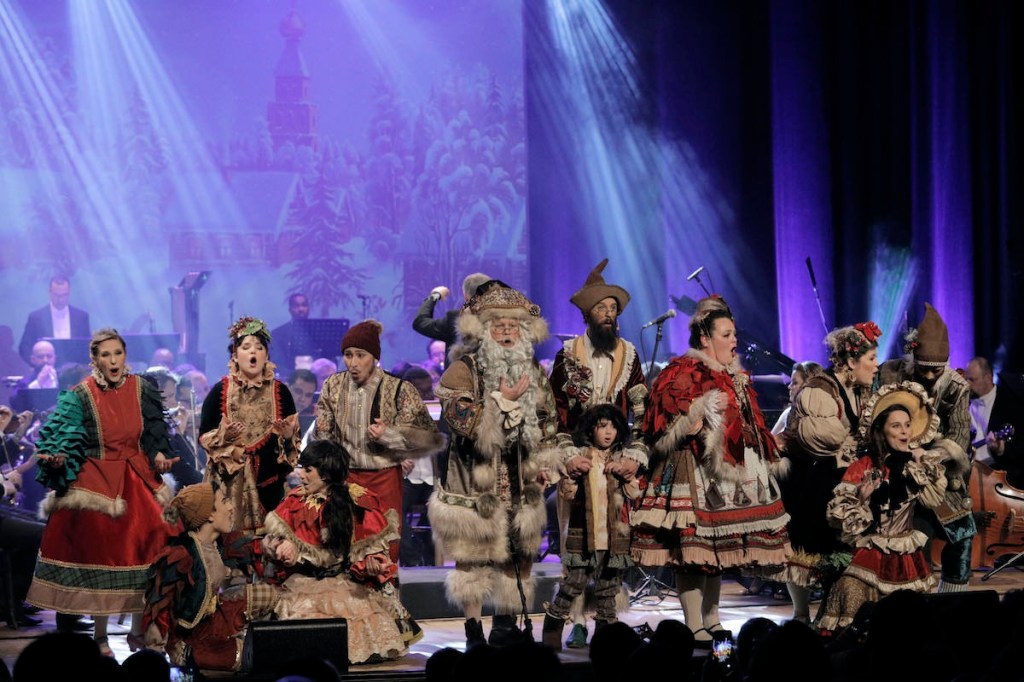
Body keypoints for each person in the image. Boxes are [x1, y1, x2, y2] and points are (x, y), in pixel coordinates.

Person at [631, 295, 790, 646]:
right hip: (693, 468)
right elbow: (662, 421)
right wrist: (692, 419)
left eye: (734, 334)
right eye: (727, 334)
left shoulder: (735, 376)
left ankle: (712, 618)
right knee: (695, 549)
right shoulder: (682, 371)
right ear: (706, 338)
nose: (735, 340)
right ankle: (692, 624)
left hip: (729, 474)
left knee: (718, 550)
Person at [26, 328, 176, 656]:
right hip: (96, 473)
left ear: (125, 355)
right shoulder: (82, 393)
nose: (113, 360)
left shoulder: (142, 388)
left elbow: (154, 430)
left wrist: (159, 455)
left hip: (136, 473)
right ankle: (100, 635)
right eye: (105, 355)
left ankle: (138, 630)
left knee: (154, 537)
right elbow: (61, 432)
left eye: (117, 353)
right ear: (94, 359)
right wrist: (58, 453)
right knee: (102, 542)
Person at [428, 284, 560, 649]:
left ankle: (504, 625)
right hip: (474, 477)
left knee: (517, 555)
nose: (505, 331)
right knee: (471, 558)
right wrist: (501, 400)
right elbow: (457, 418)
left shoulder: (532, 369)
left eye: (512, 325)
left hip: (520, 475)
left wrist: (548, 462)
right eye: (497, 324)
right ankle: (473, 630)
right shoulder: (463, 368)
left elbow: (548, 417)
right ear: (484, 329)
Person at [548, 258, 648, 647]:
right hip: (577, 460)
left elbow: (641, 410)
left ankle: (607, 619)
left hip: (617, 460)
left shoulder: (630, 355)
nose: (609, 315)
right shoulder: (568, 355)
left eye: (613, 309)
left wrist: (634, 456)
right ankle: (571, 618)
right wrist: (567, 458)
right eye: (601, 309)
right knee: (574, 544)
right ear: (588, 314)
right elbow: (552, 412)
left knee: (613, 544)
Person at [263, 440, 420, 664]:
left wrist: (371, 562)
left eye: (308, 470)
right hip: (306, 582)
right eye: (302, 469)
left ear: (325, 474)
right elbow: (271, 539)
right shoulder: (295, 501)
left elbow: (368, 546)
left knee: (360, 620)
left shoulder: (356, 501)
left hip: (343, 582)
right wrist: (279, 546)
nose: (301, 475)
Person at [817, 383, 949, 632]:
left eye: (907, 425)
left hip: (908, 556)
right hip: (872, 550)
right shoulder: (863, 467)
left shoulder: (916, 465)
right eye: (896, 426)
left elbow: (934, 499)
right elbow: (840, 522)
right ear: (882, 431)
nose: (904, 432)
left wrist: (923, 461)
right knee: (850, 593)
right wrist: (862, 499)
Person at [312, 320, 444, 563]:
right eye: (348, 355)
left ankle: (386, 598)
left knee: (384, 549)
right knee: (347, 549)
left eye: (360, 355)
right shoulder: (333, 386)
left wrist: (389, 437)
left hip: (384, 478)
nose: (352, 362)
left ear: (374, 357)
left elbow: (428, 439)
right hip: (346, 479)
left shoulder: (398, 390)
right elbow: (322, 433)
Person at [779, 323, 881, 623]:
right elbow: (822, 441)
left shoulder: (858, 390)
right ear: (851, 362)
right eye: (871, 359)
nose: (876, 366)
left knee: (841, 551)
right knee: (808, 550)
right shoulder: (820, 390)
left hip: (842, 479)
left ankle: (834, 612)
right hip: (812, 479)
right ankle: (800, 616)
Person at [879, 303, 974, 593]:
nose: (930, 377)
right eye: (924, 370)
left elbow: (959, 435)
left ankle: (951, 605)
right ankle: (912, 604)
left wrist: (932, 457)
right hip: (897, 468)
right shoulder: (891, 375)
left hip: (940, 472)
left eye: (936, 371)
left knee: (962, 535)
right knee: (916, 537)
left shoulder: (957, 387)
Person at [142, 482, 279, 671]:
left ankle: (233, 635)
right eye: (224, 501)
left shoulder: (217, 542)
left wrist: (271, 546)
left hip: (213, 617)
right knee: (247, 655)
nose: (231, 507)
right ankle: (220, 648)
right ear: (210, 514)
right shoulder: (183, 554)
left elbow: (244, 547)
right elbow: (159, 603)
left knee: (269, 595)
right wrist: (157, 647)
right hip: (190, 639)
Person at [541, 404, 643, 650]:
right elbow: (566, 493)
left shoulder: (621, 459)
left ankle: (605, 639)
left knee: (607, 588)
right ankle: (552, 627)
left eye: (613, 427)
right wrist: (573, 476)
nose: (608, 433)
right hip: (584, 535)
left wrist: (627, 476)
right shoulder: (581, 456)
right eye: (602, 427)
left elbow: (633, 492)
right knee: (573, 582)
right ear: (591, 430)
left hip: (612, 538)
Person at [199, 317, 300, 548]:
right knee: (232, 555)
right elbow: (205, 436)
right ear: (235, 354)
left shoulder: (281, 392)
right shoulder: (220, 391)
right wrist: (224, 438)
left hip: (269, 485)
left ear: (266, 355)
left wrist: (286, 436)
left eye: (259, 348)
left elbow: (294, 445)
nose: (253, 353)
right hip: (229, 487)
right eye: (246, 348)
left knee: (270, 551)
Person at [965, 356, 1022, 484]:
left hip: (997, 473)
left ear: (988, 378)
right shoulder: (964, 402)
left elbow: (1020, 446)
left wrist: (1001, 449)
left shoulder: (1011, 403)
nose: (967, 384)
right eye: (966, 379)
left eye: (972, 379)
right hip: (968, 471)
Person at [18, 276, 91, 363]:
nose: (61, 300)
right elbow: (24, 348)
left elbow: (87, 347)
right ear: (50, 292)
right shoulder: (36, 318)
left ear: (69, 292)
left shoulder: (81, 317)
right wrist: (37, 365)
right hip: (44, 371)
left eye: (64, 295)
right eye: (57, 295)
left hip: (75, 372)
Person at [412, 273, 491, 353]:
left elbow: (420, 322)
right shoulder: (502, 321)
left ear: (465, 296)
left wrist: (435, 295)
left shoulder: (455, 319)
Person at [770, 361, 824, 437]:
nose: (789, 386)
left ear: (808, 386)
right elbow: (770, 442)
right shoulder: (788, 412)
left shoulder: (826, 414)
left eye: (795, 383)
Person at [270, 293, 315, 370]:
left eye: (304, 305)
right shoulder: (278, 334)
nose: (301, 309)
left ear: (308, 308)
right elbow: (277, 360)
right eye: (296, 306)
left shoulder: (319, 331)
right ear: (290, 310)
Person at [287, 368, 319, 434]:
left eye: (308, 395)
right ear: (287, 388)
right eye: (298, 391)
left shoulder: (313, 419)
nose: (302, 399)